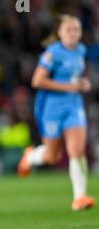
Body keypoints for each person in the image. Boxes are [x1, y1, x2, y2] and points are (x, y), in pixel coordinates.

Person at [18, 14, 96, 211]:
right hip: (50, 108)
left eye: (76, 29)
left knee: (76, 150)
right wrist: (70, 87)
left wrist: (83, 83)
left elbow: (75, 77)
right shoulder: (52, 53)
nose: (73, 33)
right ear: (60, 33)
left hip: (73, 106)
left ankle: (80, 198)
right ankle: (31, 157)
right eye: (68, 30)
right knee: (53, 156)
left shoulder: (81, 50)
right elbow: (37, 81)